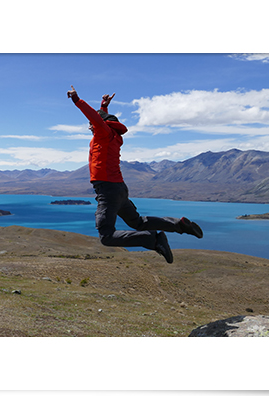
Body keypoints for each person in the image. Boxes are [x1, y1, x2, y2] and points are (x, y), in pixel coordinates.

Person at [67, 85, 203, 263]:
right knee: (138, 223)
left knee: (106, 236)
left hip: (108, 191)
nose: (91, 129)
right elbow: (101, 118)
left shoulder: (103, 133)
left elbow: (96, 119)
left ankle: (153, 240)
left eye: (91, 127)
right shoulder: (112, 136)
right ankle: (179, 225)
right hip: (119, 189)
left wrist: (77, 100)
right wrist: (104, 106)